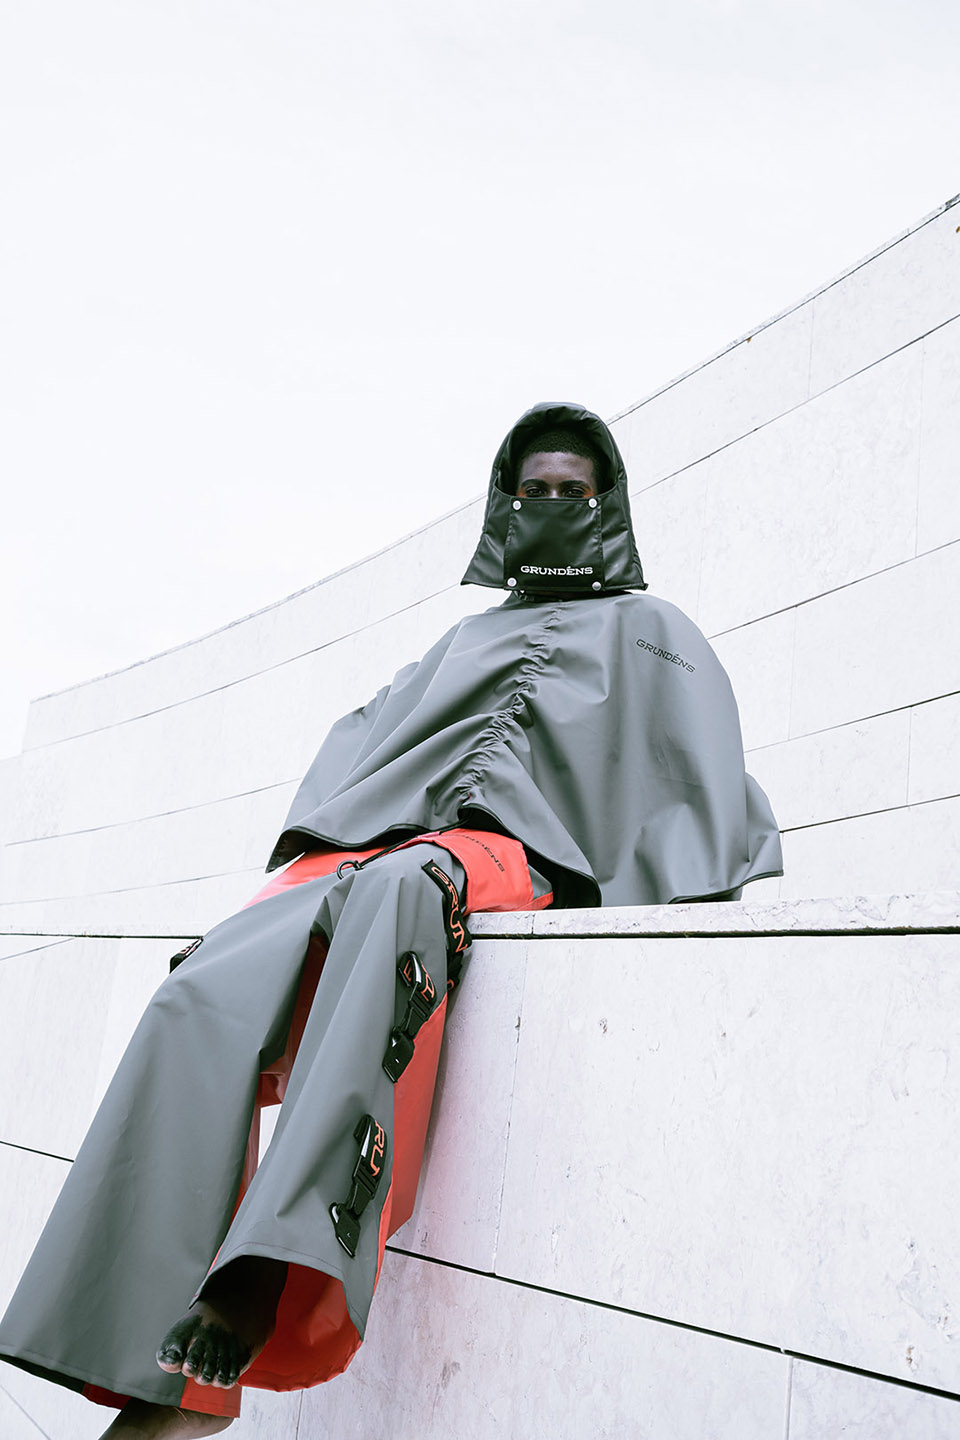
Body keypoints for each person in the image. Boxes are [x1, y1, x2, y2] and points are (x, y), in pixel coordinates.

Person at [0, 402, 782, 1439]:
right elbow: (367, 747)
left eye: (574, 491)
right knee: (204, 982)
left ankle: (264, 1273)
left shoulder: (654, 630)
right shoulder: (462, 639)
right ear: (506, 506)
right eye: (534, 490)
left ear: (608, 508)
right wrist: (283, 897)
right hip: (381, 843)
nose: (553, 504)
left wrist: (682, 869)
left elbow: (694, 769)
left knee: (406, 890)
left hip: (511, 856)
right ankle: (157, 1378)